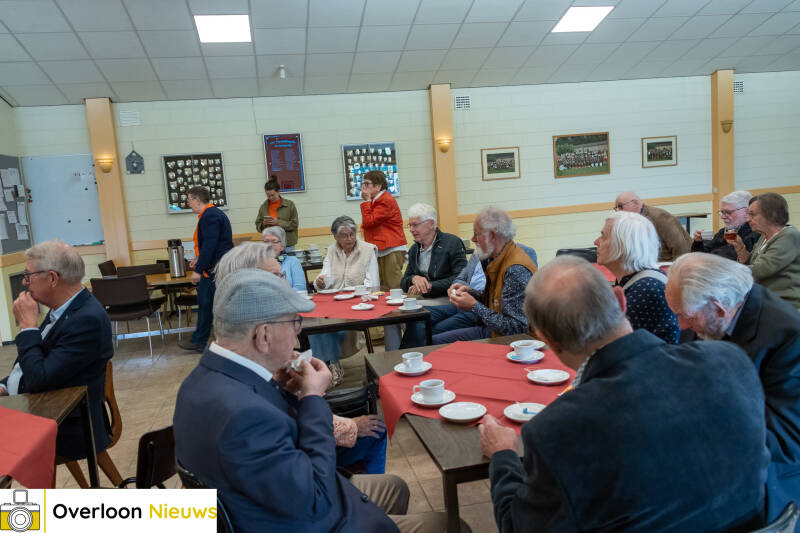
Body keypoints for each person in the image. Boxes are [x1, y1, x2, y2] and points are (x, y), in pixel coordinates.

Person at [479, 255, 770, 532]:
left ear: (547, 340)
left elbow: (517, 526)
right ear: (620, 301)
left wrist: (503, 455)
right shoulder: (730, 360)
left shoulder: (557, 429)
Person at [173, 268, 450, 533]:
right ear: (264, 336)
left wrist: (287, 391)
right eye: (294, 321)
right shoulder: (245, 416)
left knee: (394, 487)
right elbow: (317, 493)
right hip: (307, 517)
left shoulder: (199, 382)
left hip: (267, 506)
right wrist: (312, 397)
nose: (298, 331)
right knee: (448, 526)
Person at [214, 243, 388, 474]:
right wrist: (314, 398)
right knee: (386, 462)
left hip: (292, 466)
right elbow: (302, 473)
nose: (285, 283)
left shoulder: (230, 353)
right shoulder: (244, 395)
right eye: (277, 276)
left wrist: (289, 390)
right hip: (304, 477)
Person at [666, 252, 800, 522]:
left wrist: (693, 427)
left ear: (718, 308)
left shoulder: (788, 337)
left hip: (764, 482)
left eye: (684, 316)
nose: (679, 324)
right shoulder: (708, 313)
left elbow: (787, 442)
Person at [0, 240, 113, 461]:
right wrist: (5, 385)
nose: (24, 282)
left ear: (52, 278)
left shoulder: (86, 319)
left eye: (28, 274)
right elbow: (34, 366)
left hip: (65, 425)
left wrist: (27, 327)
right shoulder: (65, 309)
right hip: (41, 406)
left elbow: (39, 379)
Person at [431, 206, 536, 343]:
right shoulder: (494, 258)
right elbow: (498, 302)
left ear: (492, 235)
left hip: (511, 341)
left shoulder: (515, 269)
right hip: (493, 329)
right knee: (432, 334)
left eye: (476, 233)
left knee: (436, 342)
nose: (473, 239)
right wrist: (472, 293)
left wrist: (474, 306)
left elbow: (516, 328)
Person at [310, 215, 380, 385]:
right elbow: (324, 279)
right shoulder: (331, 251)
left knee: (328, 326)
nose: (349, 239)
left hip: (359, 302)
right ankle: (330, 363)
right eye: (344, 235)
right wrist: (319, 281)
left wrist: (352, 293)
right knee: (315, 323)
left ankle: (329, 363)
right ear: (335, 237)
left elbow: (374, 285)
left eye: (352, 234)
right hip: (334, 301)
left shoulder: (368, 249)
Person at [594, 211, 680, 343]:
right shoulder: (639, 280)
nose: (596, 242)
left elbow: (611, 343)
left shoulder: (645, 289)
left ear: (622, 244)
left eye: (603, 236)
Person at [178, 186, 233, 352]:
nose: (189, 204)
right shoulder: (210, 215)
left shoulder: (210, 215)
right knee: (205, 303)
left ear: (197, 199)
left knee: (218, 306)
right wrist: (198, 260)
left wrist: (198, 269)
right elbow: (209, 245)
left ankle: (226, 342)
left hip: (217, 269)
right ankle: (199, 341)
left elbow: (211, 244)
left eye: (189, 200)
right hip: (212, 267)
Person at [733, 192, 800, 309]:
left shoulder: (789, 236)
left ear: (771, 215)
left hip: (785, 306)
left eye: (752, 215)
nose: (748, 219)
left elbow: (760, 269)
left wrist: (722, 272)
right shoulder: (764, 237)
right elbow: (750, 264)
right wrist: (740, 247)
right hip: (766, 302)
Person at [400, 203, 467, 298]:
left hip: (446, 297)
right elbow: (403, 282)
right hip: (423, 297)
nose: (411, 229)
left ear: (431, 224)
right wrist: (413, 278)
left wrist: (430, 286)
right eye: (409, 225)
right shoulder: (414, 249)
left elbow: (461, 278)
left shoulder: (452, 243)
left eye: (415, 225)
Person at [360, 170, 407, 290]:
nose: (363, 187)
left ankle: (399, 308)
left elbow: (369, 222)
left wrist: (366, 202)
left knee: (393, 286)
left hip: (391, 248)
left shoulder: (385, 200)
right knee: (381, 286)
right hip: (382, 247)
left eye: (367, 184)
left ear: (378, 186)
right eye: (363, 184)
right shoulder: (375, 201)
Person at [614, 191, 690, 261]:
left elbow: (681, 249)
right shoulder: (628, 222)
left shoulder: (660, 217)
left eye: (620, 206)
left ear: (635, 203)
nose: (617, 211)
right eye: (616, 208)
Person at [691, 190, 759, 260]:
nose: (722, 217)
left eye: (728, 212)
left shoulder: (755, 235)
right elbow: (700, 255)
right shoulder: (724, 232)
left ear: (746, 212)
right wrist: (698, 242)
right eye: (722, 212)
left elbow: (733, 261)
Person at [255, 176, 299, 252]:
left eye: (273, 195)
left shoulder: (290, 205)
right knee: (273, 264)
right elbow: (258, 226)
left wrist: (278, 222)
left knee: (290, 263)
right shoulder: (263, 207)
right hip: (270, 247)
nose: (271, 198)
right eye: (268, 196)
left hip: (288, 245)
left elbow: (294, 224)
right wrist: (263, 224)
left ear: (278, 191)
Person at [262, 226, 305, 291]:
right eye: (266, 241)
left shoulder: (292, 261)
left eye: (274, 241)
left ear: (282, 246)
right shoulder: (258, 264)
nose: (269, 245)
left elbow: (301, 288)